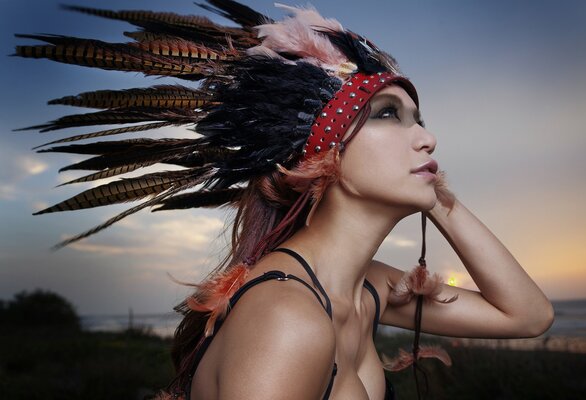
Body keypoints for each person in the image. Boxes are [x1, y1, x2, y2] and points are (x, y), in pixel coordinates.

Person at [13, 1, 554, 399]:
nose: (427, 137)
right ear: (322, 151)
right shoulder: (286, 317)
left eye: (421, 120)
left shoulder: (369, 287)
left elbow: (527, 316)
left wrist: (436, 197)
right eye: (388, 114)